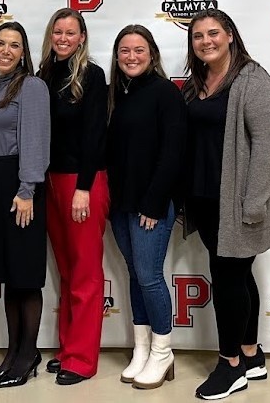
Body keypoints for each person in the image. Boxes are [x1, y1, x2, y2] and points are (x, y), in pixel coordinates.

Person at [182, 9, 270, 400]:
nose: (205, 41)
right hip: (206, 197)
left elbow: (267, 143)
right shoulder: (198, 80)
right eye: (197, 36)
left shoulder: (251, 78)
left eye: (213, 33)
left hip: (239, 202)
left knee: (227, 278)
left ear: (229, 35)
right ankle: (251, 354)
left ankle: (230, 366)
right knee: (237, 276)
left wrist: (253, 203)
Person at [106, 24, 186, 390]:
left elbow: (173, 153)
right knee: (135, 274)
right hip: (121, 204)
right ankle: (142, 348)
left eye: (139, 50)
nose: (131, 56)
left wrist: (154, 203)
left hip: (151, 205)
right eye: (125, 50)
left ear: (151, 54)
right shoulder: (117, 94)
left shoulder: (165, 93)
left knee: (150, 276)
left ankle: (162, 351)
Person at [36, 8, 109, 385]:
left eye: (70, 33)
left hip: (83, 183)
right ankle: (68, 349)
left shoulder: (92, 75)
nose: (63, 38)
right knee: (66, 270)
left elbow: (96, 134)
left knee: (85, 272)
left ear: (82, 38)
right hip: (50, 181)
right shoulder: (43, 75)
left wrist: (83, 187)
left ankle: (82, 359)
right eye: (58, 32)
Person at [0, 21, 50, 389]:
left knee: (25, 273)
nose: (6, 50)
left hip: (21, 186)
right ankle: (12, 351)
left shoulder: (31, 86)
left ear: (24, 54)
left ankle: (28, 353)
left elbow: (36, 139)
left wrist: (27, 189)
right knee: (8, 272)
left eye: (14, 45)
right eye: (0, 43)